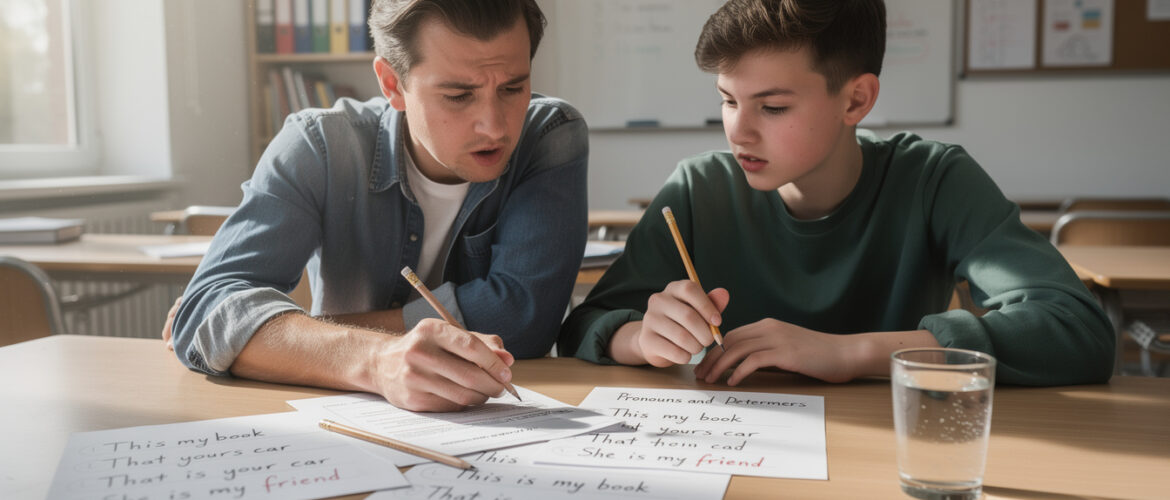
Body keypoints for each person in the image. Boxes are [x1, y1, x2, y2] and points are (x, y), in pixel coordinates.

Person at [558, 0, 1113, 386]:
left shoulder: (933, 180)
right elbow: (586, 325)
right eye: (728, 100)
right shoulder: (699, 188)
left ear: (856, 101)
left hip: (886, 447)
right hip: (734, 448)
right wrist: (639, 337)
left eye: (773, 108)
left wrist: (849, 352)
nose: (738, 131)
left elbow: (1076, 329)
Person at [166, 0, 588, 411]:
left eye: (513, 87)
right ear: (392, 84)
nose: (495, 126)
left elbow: (524, 318)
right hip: (342, 421)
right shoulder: (320, 146)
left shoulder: (549, 134)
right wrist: (375, 360)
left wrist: (286, 336)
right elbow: (206, 312)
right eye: (459, 96)